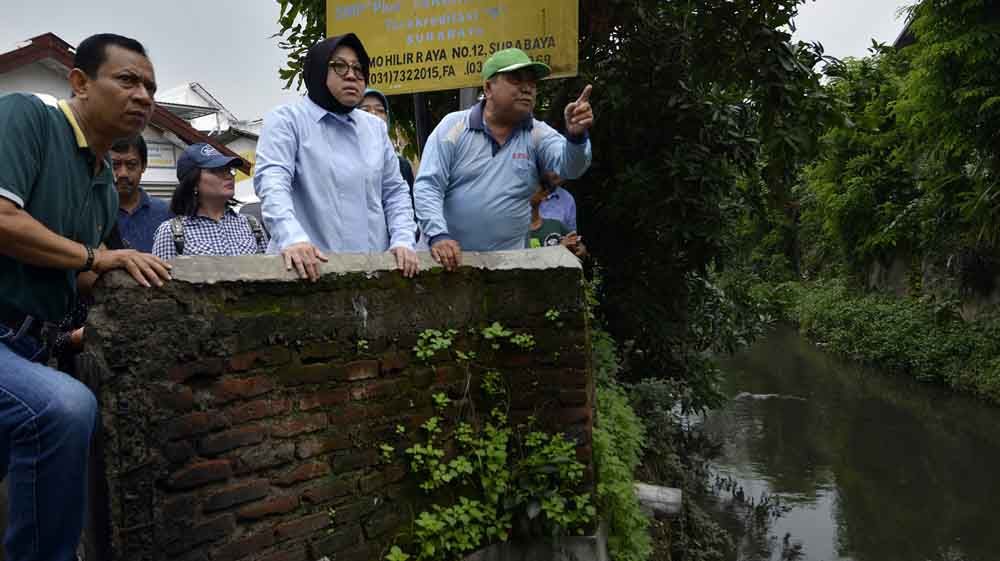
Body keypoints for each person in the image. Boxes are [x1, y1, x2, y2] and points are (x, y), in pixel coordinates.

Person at [0, 33, 171, 561]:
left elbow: (78, 274)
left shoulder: (100, 183)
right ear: (79, 81)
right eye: (126, 80)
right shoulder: (27, 116)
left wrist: (149, 282)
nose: (142, 95)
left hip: (28, 345)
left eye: (150, 86)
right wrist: (98, 257)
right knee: (65, 408)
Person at [254, 34, 419, 281]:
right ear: (318, 70)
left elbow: (395, 192)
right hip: (307, 271)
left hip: (373, 273)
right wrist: (293, 238)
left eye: (358, 69)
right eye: (339, 66)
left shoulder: (374, 127)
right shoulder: (287, 120)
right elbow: (272, 183)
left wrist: (404, 240)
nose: (351, 75)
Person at [413, 48, 595, 270]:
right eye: (516, 80)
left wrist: (576, 137)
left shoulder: (538, 135)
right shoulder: (454, 127)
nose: (527, 88)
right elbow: (428, 186)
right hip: (444, 264)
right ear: (488, 88)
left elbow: (571, 168)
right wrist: (438, 235)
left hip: (505, 272)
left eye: (532, 82)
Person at [152, 143, 267, 259]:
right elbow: (162, 276)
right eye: (216, 171)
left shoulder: (252, 225)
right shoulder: (171, 232)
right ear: (193, 182)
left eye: (229, 170)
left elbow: (269, 272)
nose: (228, 176)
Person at [112, 134, 172, 252]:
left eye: (131, 165)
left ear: (144, 166)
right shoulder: (94, 214)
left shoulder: (166, 213)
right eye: (115, 165)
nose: (123, 173)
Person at [527, 184, 586, 258]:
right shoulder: (512, 229)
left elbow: (576, 246)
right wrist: (559, 249)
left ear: (544, 196)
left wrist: (579, 248)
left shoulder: (555, 225)